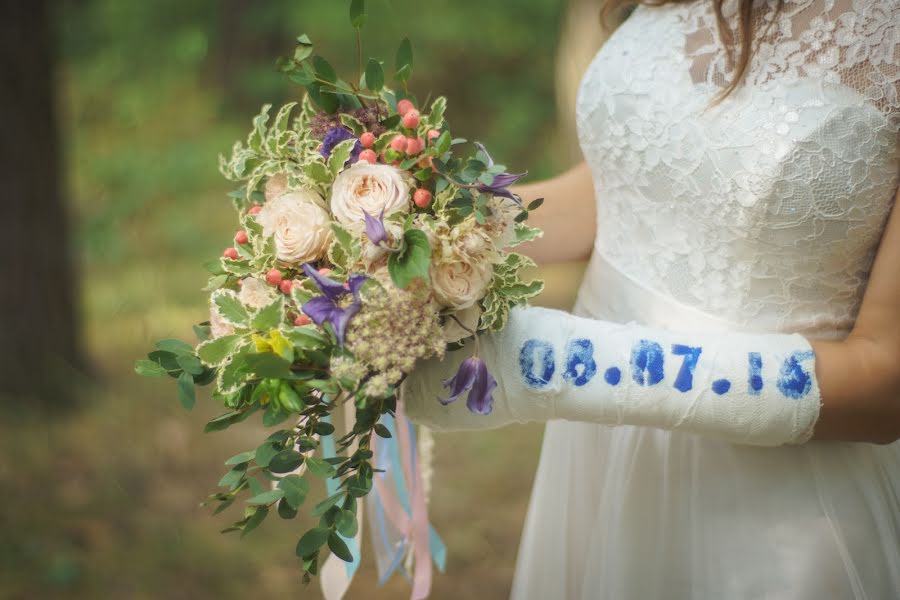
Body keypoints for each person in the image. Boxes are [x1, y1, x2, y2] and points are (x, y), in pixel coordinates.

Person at [404, 0, 900, 598]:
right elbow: (643, 180)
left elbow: (886, 382)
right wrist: (419, 234)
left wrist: (551, 365)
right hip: (594, 446)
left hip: (772, 494)